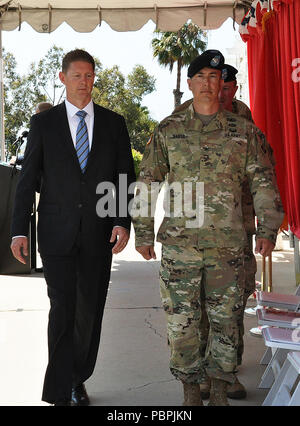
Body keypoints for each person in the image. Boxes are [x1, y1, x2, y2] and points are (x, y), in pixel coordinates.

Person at [132, 50, 284, 406]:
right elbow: (147, 181)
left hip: (227, 248)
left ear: (222, 85)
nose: (207, 84)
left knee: (226, 324)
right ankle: (190, 391)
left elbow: (263, 182)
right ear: (189, 84)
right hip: (180, 247)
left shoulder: (243, 132)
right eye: (200, 77)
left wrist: (267, 229)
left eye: (214, 78)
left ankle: (218, 391)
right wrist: (142, 232)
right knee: (182, 324)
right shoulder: (169, 130)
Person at [10, 49, 135, 406]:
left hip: (99, 235)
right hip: (56, 233)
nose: (85, 82)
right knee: (62, 308)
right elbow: (27, 179)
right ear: (62, 78)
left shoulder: (114, 123)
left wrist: (121, 221)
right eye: (77, 75)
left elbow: (123, 178)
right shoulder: (44, 124)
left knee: (89, 310)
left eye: (90, 75)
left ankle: (78, 376)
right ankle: (62, 387)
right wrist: (19, 229)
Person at [172, 63, 267, 400]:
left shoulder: (243, 118)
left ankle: (225, 377)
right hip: (195, 230)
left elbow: (258, 170)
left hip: (237, 225)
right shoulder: (182, 117)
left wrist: (264, 225)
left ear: (234, 89)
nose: (221, 91)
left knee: (231, 304)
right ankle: (198, 379)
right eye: (214, 82)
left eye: (226, 85)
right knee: (195, 307)